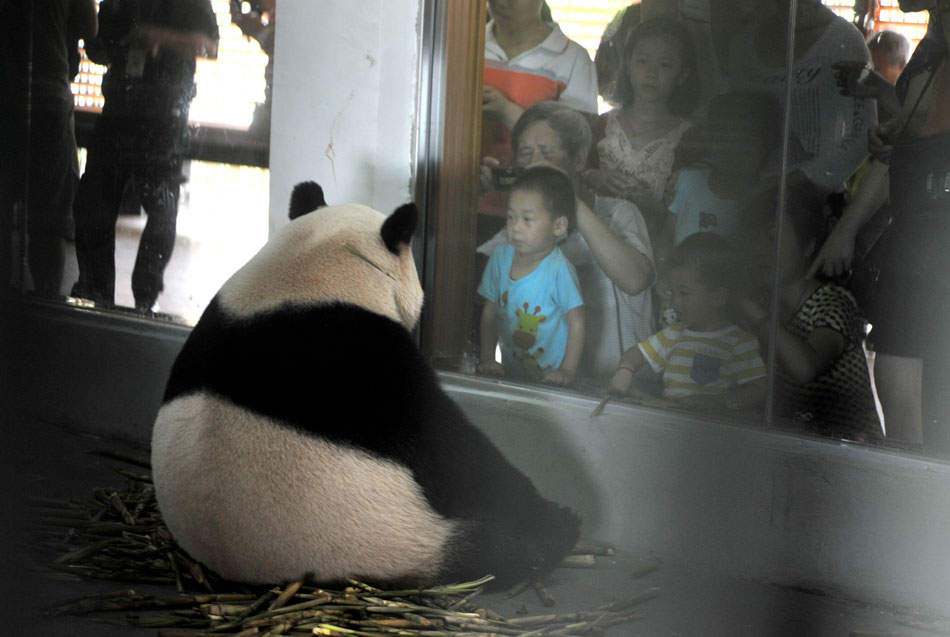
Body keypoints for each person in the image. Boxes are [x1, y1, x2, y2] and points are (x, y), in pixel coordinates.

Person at [809, 0, 950, 454]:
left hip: (936, 231)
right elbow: (912, 135)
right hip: (914, 230)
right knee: (894, 373)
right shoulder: (934, 42)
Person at [479, 101, 656, 386]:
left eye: (547, 153)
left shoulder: (620, 214)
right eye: (526, 154)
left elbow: (636, 280)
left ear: (579, 158)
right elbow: (486, 303)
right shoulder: (517, 235)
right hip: (555, 391)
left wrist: (565, 198)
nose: (536, 163)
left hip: (625, 393)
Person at [70, 0, 219, 311]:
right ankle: (98, 294)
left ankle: (144, 300)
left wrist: (159, 38)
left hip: (164, 119)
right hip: (118, 112)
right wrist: (106, 43)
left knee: (162, 212)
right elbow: (98, 47)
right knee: (93, 205)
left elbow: (209, 46)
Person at [739, 205, 883, 443]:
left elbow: (805, 368)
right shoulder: (761, 302)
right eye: (756, 239)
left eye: (773, 239)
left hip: (848, 452)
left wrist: (750, 308)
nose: (761, 250)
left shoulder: (833, 303)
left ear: (808, 247)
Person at [725, 0, 877, 198]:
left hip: (810, 198)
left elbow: (863, 135)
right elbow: (731, 118)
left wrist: (795, 181)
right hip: (743, 191)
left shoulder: (844, 41)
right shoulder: (744, 40)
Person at [478, 0, 598, 241]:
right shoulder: (467, 44)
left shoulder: (572, 59)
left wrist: (508, 112)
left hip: (540, 220)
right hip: (467, 206)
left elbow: (581, 148)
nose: (502, 2)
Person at [607, 232, 767, 413]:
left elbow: (758, 388)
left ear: (717, 297)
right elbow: (636, 353)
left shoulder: (738, 342)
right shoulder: (673, 334)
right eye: (673, 292)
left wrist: (721, 401)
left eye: (683, 293)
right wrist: (625, 371)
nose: (675, 301)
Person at [0, 0, 98, 296]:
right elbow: (89, 27)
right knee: (50, 220)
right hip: (47, 87)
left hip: (7, 86)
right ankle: (46, 309)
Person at [583, 16, 700, 240]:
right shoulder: (600, 126)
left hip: (652, 246)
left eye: (665, 65)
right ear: (627, 64)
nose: (652, 73)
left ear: (682, 75)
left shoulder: (689, 139)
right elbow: (574, 175)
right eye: (643, 61)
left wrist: (650, 204)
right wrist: (593, 177)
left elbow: (686, 214)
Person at [477, 166, 585, 385]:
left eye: (527, 219)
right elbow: (490, 314)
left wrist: (567, 371)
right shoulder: (499, 258)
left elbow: (578, 322)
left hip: (554, 382)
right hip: (512, 377)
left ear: (558, 226)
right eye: (510, 217)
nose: (515, 227)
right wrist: (488, 358)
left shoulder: (559, 270)